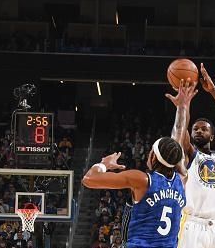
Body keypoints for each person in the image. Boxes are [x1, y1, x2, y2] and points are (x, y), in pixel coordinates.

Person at [83, 80, 197, 248]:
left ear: (153, 157)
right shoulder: (182, 179)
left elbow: (89, 179)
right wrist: (182, 107)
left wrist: (103, 164)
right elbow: (178, 137)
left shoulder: (142, 180)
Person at [167, 63, 215, 248]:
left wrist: (213, 90)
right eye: (195, 129)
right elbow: (179, 130)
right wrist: (184, 105)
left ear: (213, 135)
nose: (198, 131)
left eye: (204, 129)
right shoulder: (190, 154)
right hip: (192, 225)